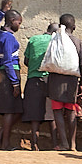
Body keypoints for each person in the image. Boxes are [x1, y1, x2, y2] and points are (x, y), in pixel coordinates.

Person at [0, 0, 23, 150]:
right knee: (11, 110)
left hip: (3, 74)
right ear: (12, 21)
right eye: (18, 23)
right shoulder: (8, 38)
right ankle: (5, 143)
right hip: (10, 74)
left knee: (17, 109)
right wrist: (15, 82)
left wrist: (2, 11)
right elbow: (8, 61)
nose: (19, 26)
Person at [47, 13, 82, 151]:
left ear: (61, 26)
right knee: (71, 112)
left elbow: (48, 60)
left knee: (57, 111)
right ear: (74, 26)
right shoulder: (77, 42)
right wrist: (81, 84)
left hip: (55, 81)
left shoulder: (54, 40)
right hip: (72, 82)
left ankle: (63, 143)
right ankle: (73, 144)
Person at [22, 22, 57, 150]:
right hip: (50, 80)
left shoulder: (33, 39)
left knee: (34, 113)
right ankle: (55, 144)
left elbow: (26, 61)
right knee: (52, 112)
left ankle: (34, 143)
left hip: (32, 79)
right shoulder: (55, 41)